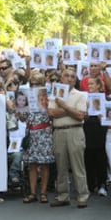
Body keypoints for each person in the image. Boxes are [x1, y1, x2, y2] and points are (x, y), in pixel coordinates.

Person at [48, 68, 89, 208]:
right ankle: (62, 195)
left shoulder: (80, 95)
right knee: (61, 166)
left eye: (72, 76)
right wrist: (71, 110)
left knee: (78, 165)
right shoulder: (54, 95)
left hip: (75, 131)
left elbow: (80, 115)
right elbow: (52, 113)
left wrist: (64, 106)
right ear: (62, 78)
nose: (70, 78)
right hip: (59, 131)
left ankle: (82, 196)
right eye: (67, 76)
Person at [18, 73, 54, 204]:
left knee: (44, 163)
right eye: (33, 84)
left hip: (44, 131)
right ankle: (33, 193)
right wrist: (19, 112)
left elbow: (52, 115)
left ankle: (43, 193)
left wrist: (46, 105)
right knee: (32, 164)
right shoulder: (27, 96)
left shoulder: (49, 96)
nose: (35, 86)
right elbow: (23, 118)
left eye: (37, 83)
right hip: (30, 131)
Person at [84, 77, 108, 196]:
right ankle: (90, 185)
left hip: (100, 133)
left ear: (98, 85)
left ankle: (102, 184)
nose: (89, 86)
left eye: (92, 84)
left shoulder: (105, 99)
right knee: (88, 160)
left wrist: (102, 117)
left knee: (101, 160)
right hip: (87, 132)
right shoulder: (84, 98)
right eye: (88, 84)